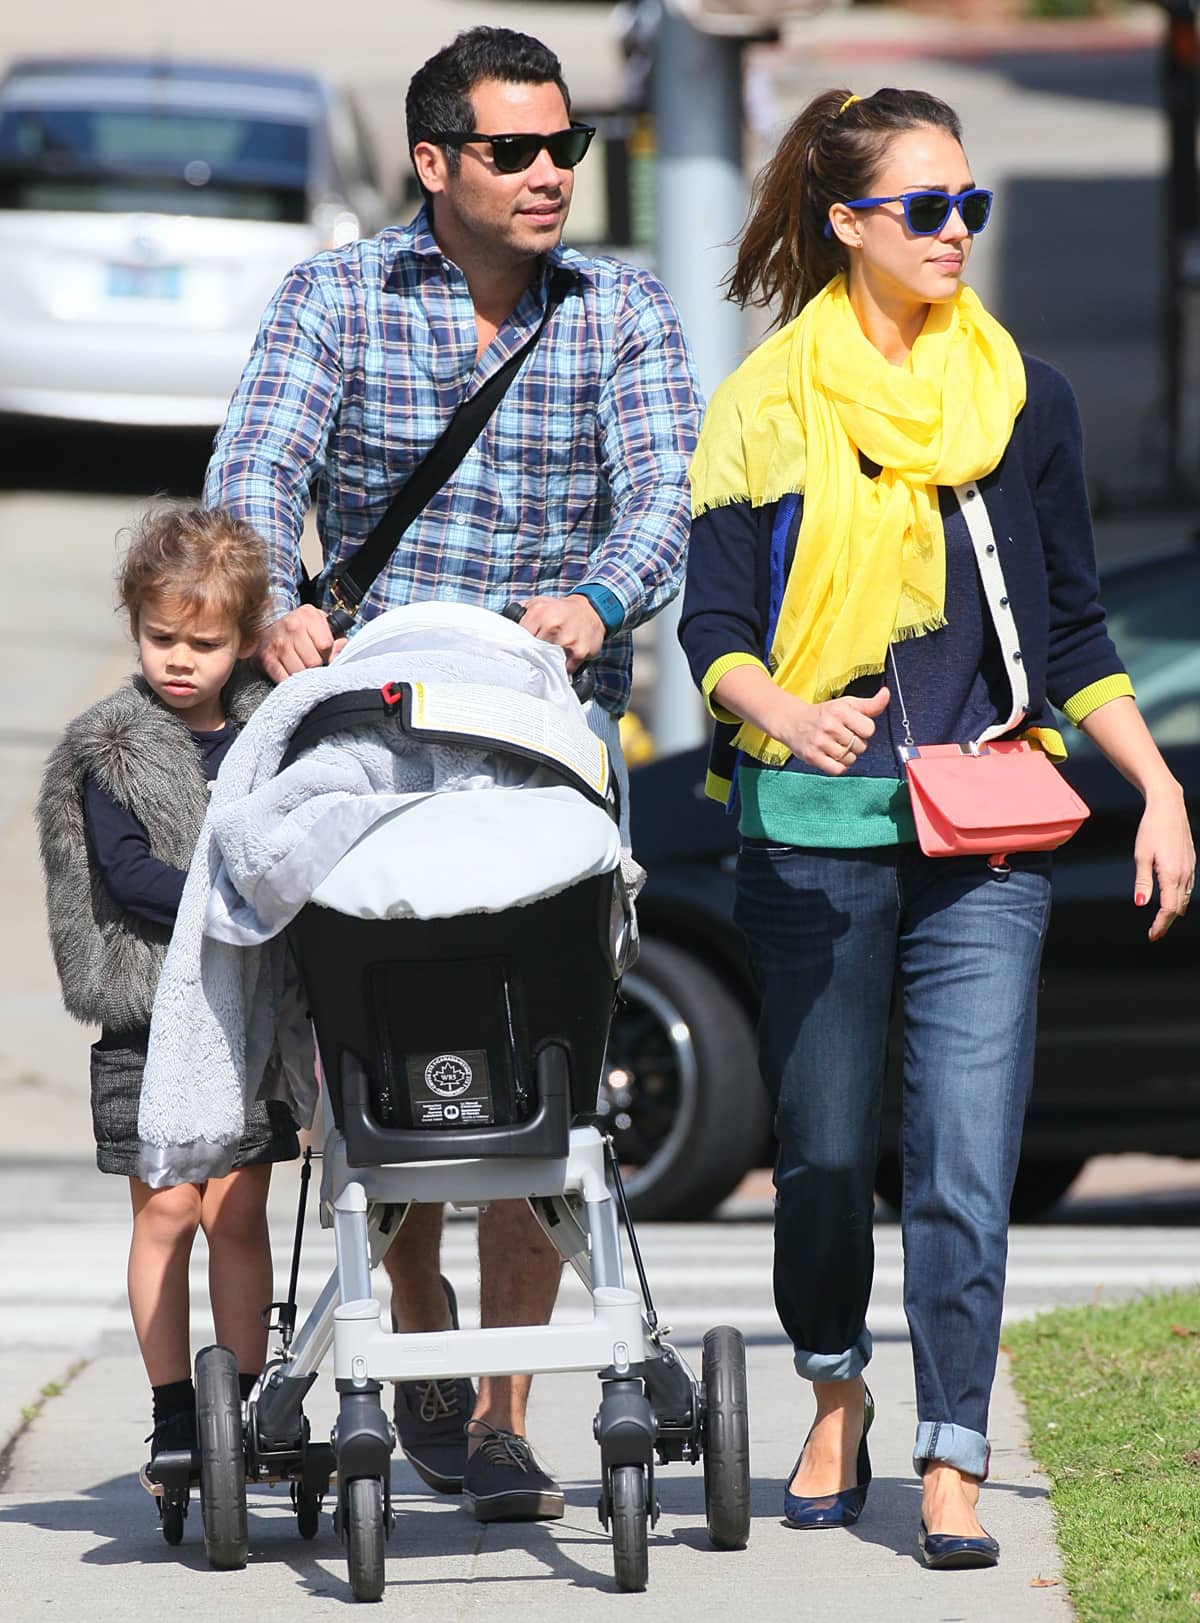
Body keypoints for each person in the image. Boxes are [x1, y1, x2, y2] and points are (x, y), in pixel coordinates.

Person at [679, 86, 1195, 1568]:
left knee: (967, 1157)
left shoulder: (1021, 394)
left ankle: (954, 1445)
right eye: (928, 208)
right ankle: (835, 1381)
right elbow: (713, 628)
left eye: (974, 204)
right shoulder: (767, 402)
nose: (959, 230)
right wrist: (782, 708)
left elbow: (1080, 630)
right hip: (814, 824)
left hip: (990, 830)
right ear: (849, 224)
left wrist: (1156, 788)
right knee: (829, 1152)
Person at [203, 26, 701, 1522]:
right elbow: (253, 473)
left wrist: (601, 600)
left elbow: (663, 494)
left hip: (542, 743)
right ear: (435, 164)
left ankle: (499, 1416)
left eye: (569, 148)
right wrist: (270, 598)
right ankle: (415, 1345)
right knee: (390, 1065)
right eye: (516, 150)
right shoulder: (335, 299)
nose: (551, 173)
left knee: (538, 1079)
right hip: (371, 739)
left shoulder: (619, 308)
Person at [36, 506, 299, 1481]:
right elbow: (126, 872)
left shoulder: (269, 732)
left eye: (204, 642)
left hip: (247, 1018)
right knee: (168, 1214)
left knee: (237, 1213)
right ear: (133, 627)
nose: (179, 660)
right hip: (148, 1017)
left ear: (245, 637)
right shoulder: (112, 745)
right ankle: (175, 1411)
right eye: (161, 639)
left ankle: (243, 1399)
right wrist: (233, 889)